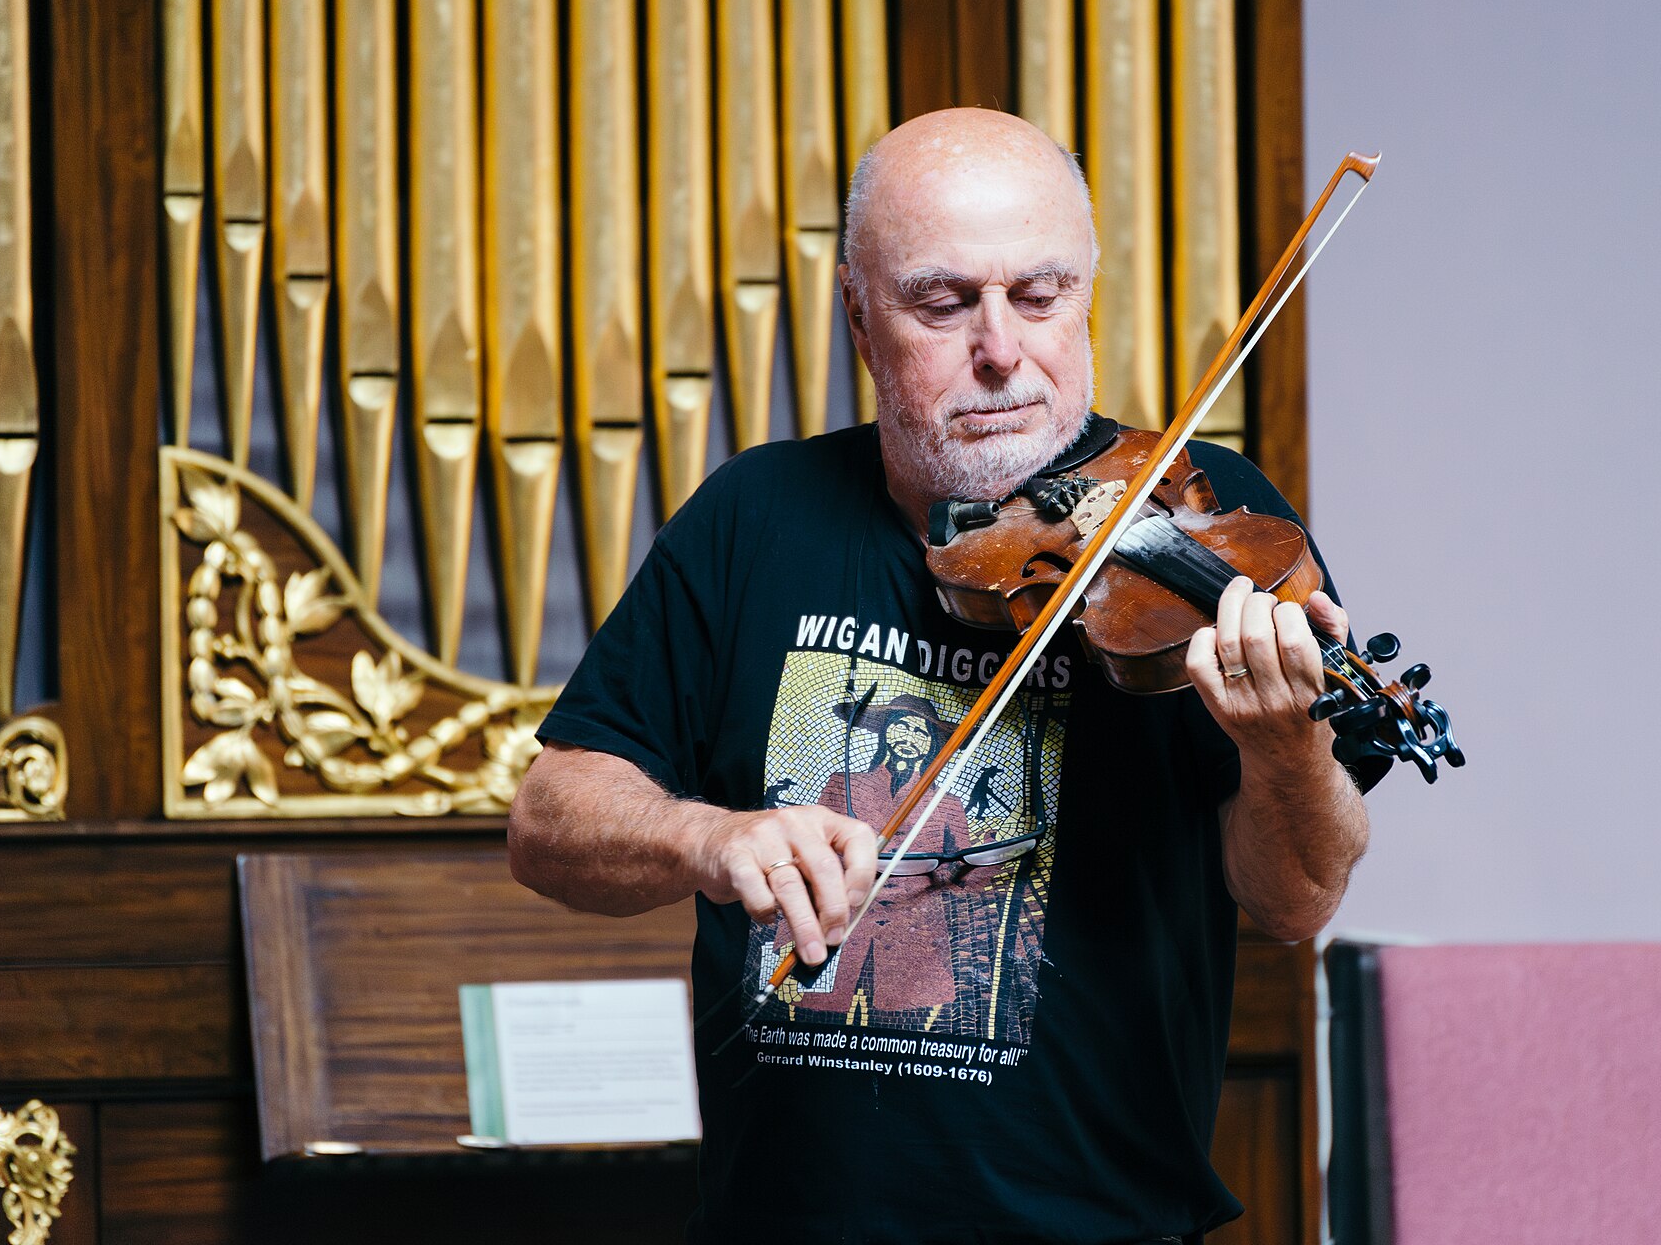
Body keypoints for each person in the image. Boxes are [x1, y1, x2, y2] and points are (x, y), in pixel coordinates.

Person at [510, 107, 1378, 1245]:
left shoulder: (1200, 518)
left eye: (1040, 295)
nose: (1003, 351)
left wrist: (1283, 745)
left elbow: (1294, 898)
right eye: (943, 302)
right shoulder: (754, 516)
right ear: (862, 322)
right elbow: (548, 816)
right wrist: (709, 841)